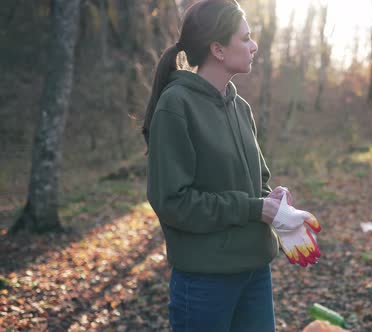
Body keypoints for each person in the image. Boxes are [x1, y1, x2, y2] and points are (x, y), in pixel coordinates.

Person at [142, 1, 320, 331]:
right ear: (218, 49)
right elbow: (172, 202)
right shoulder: (176, 106)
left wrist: (275, 203)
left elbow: (257, 185)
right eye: (246, 37)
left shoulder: (241, 109)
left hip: (254, 274)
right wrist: (255, 209)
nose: (254, 46)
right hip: (205, 282)